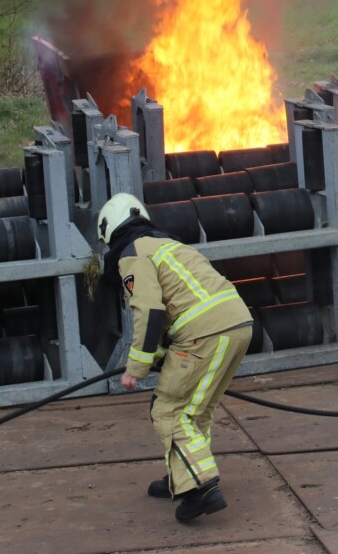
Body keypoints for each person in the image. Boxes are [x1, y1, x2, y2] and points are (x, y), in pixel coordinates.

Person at [97, 192, 254, 523]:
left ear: (109, 230)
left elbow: (150, 311)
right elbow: (177, 310)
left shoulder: (132, 254)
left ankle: (200, 488)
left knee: (168, 410)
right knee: (196, 411)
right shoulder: (169, 245)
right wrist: (160, 354)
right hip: (236, 324)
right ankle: (182, 478)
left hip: (206, 333)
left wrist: (137, 366)